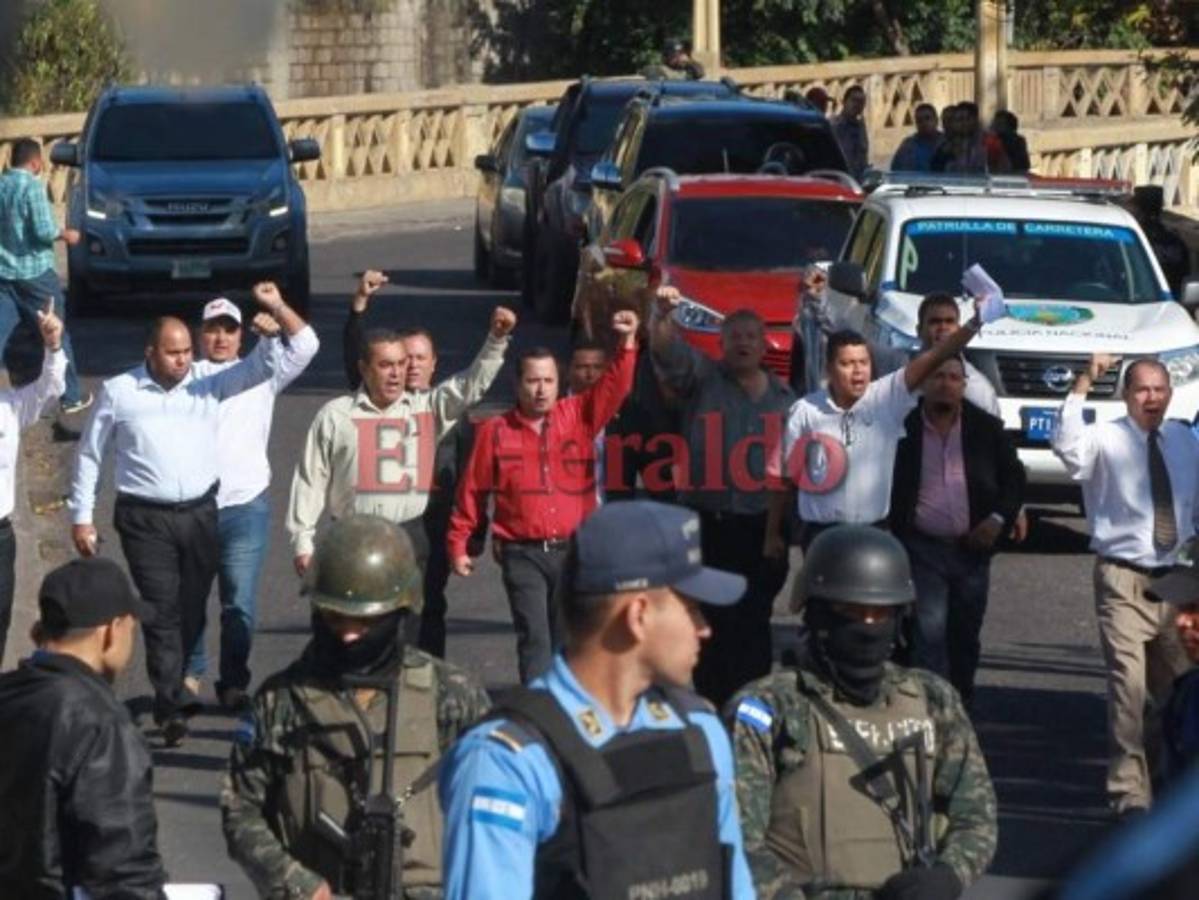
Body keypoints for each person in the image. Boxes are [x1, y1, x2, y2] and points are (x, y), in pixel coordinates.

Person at [439, 500, 756, 900]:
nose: (704, 628)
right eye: (691, 608)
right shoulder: (508, 761)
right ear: (638, 615)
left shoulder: (702, 733)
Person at [69, 284, 305, 747]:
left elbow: (262, 368)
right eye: (172, 352)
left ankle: (181, 678)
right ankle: (169, 700)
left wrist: (271, 334)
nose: (181, 359)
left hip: (200, 513)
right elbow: (90, 455)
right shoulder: (119, 391)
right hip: (144, 517)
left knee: (193, 606)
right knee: (161, 608)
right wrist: (81, 514)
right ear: (151, 352)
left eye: (184, 352)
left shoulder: (209, 385)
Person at [222, 515, 491, 900]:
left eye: (365, 622)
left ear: (399, 613)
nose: (348, 634)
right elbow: (240, 809)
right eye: (334, 618)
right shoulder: (280, 702)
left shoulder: (449, 696)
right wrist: (297, 882)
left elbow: (496, 807)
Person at [727, 525, 998, 900]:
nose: (868, 626)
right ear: (817, 613)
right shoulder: (770, 708)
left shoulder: (933, 699)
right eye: (850, 611)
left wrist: (949, 875)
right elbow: (736, 836)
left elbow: (976, 816)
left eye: (880, 613)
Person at [448, 311, 639, 683]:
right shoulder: (495, 430)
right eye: (533, 381)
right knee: (535, 640)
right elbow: (472, 489)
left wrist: (628, 343)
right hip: (522, 553)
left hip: (572, 551)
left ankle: (569, 718)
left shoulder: (580, 414)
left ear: (560, 382)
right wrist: (459, 542)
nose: (541, 389)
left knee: (570, 643)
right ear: (517, 385)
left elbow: (616, 386)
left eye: (549, 380)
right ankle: (537, 717)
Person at [288, 276, 514, 578]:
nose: (396, 374)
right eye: (385, 366)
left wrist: (495, 342)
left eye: (401, 364)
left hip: (411, 536)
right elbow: (310, 480)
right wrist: (303, 543)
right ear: (364, 370)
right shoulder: (335, 415)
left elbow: (469, 386)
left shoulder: (427, 408)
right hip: (352, 538)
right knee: (353, 622)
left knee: (412, 623)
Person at [1051, 354, 1198, 816]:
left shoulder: (1182, 440)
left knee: (1179, 691)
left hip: (1175, 581)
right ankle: (1129, 796)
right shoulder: (1104, 439)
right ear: (1125, 395)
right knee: (1127, 689)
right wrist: (1085, 380)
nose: (1151, 398)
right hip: (1122, 579)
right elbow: (1066, 445)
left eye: (1159, 389)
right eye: (1141, 390)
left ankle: (1162, 779)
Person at [651, 287, 794, 706]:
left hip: (761, 529)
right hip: (707, 524)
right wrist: (661, 314)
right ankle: (711, 708)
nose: (744, 343)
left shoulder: (786, 400)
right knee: (709, 622)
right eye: (735, 337)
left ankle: (752, 711)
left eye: (751, 336)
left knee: (752, 623)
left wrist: (783, 533)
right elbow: (664, 350)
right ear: (722, 343)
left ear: (764, 342)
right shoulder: (702, 379)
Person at [767, 286, 985, 554]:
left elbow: (936, 355)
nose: (857, 371)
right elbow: (782, 478)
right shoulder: (804, 411)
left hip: (874, 534)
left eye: (863, 362)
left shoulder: (887, 397)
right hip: (821, 537)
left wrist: (975, 322)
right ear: (829, 369)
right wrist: (772, 534)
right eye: (847, 364)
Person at [183, 292, 320, 711]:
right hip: (193, 506)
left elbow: (308, 343)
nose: (221, 338)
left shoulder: (263, 371)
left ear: (241, 335)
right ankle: (189, 677)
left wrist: (278, 306)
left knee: (238, 600)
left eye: (229, 329)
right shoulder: (185, 376)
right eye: (213, 329)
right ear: (200, 335)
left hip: (245, 506)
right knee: (190, 599)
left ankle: (233, 682)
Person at [0, 557, 166, 897]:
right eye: (132, 628)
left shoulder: (9, 694)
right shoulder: (102, 726)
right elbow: (123, 869)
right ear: (111, 632)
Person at [890, 355, 1026, 708]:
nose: (946, 383)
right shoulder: (902, 426)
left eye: (954, 377)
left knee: (964, 636)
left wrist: (998, 519)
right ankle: (927, 712)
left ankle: (959, 708)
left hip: (972, 552)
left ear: (964, 385)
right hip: (922, 550)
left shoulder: (986, 428)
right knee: (927, 634)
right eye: (938, 376)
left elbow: (1014, 478)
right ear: (923, 383)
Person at [0, 137, 89, 414]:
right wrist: (65, 234)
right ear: (36, 162)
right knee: (56, 331)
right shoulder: (32, 187)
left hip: (4, 273)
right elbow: (42, 230)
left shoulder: (2, 185)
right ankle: (70, 395)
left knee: (2, 331)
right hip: (35, 273)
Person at [0, 296, 64, 664]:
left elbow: (50, 390)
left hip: (1, 537)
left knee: (1, 620)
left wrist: (53, 345)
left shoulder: (9, 406)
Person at [1130, 185, 1190, 297]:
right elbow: (1184, 274)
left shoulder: (1133, 238)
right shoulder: (1174, 240)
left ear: (1139, 209)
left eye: (1133, 207)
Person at [931, 102, 990, 174]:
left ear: (975, 120)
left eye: (968, 118)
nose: (964, 123)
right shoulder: (944, 144)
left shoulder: (989, 141)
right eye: (960, 119)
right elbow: (935, 169)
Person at [890, 102, 943, 173]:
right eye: (919, 120)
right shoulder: (908, 146)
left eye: (927, 118)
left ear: (936, 120)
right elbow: (897, 171)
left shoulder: (947, 143)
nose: (924, 123)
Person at [831, 85, 869, 180]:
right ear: (844, 102)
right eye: (854, 100)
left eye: (861, 102)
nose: (857, 105)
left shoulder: (860, 128)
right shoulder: (834, 126)